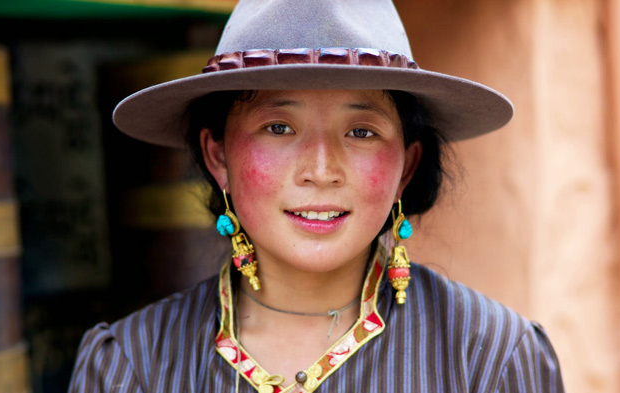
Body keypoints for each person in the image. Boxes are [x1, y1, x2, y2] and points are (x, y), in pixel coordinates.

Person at [69, 0, 564, 392]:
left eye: (362, 132)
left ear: (406, 167)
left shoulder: (491, 358)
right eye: (279, 127)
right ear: (218, 157)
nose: (321, 170)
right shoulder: (130, 365)